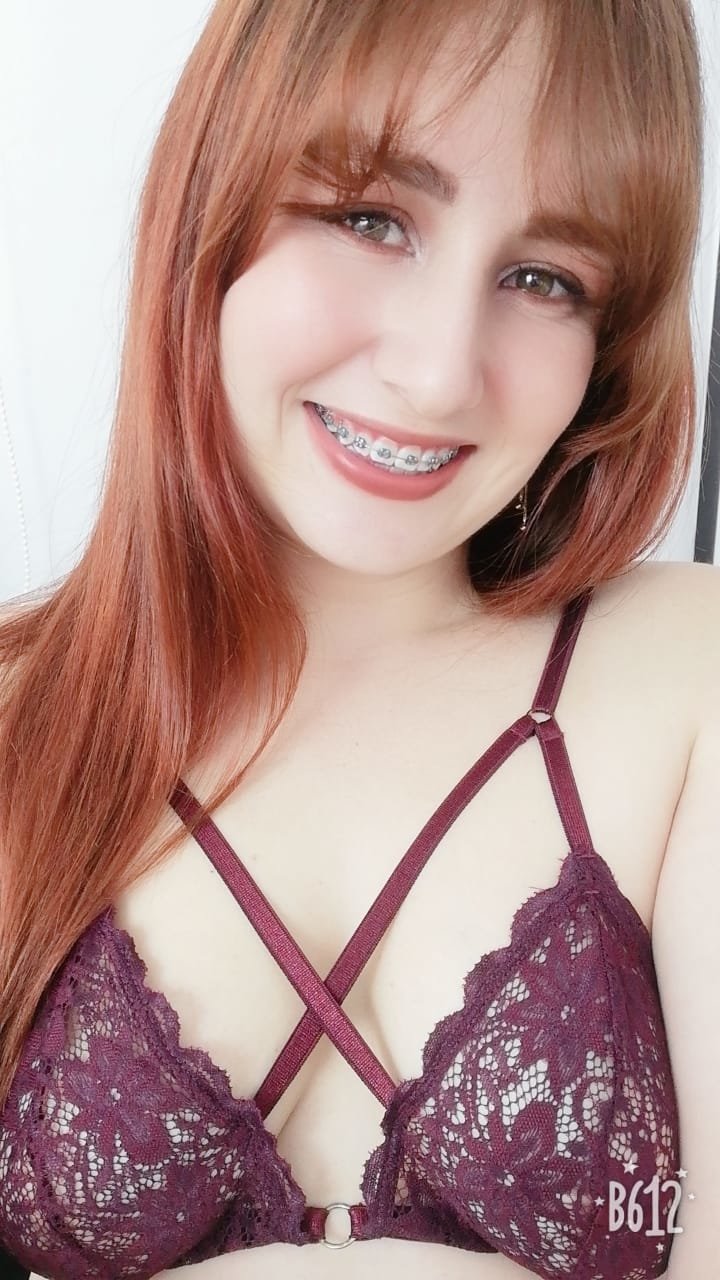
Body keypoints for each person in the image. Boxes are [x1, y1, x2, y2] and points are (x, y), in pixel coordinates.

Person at [0, 0, 717, 1276]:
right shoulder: (18, 717)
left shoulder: (689, 675)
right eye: (372, 218)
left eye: (546, 278)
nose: (438, 372)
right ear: (213, 203)